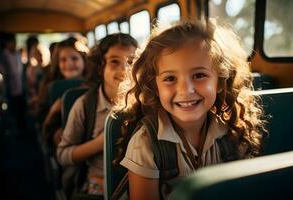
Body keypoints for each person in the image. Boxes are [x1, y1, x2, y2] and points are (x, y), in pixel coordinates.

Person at [113, 20, 266, 199]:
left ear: (220, 82)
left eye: (199, 75)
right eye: (170, 78)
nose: (186, 90)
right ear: (155, 87)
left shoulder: (233, 133)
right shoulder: (145, 143)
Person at [57, 33, 137, 199]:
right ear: (101, 67)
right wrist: (100, 143)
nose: (124, 69)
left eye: (131, 61)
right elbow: (63, 155)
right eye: (114, 61)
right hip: (97, 190)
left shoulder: (145, 104)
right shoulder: (85, 105)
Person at [37, 38, 88, 146]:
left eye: (74, 58)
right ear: (57, 63)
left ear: (84, 60)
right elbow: (43, 127)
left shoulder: (95, 86)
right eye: (63, 60)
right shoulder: (50, 87)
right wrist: (53, 111)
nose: (69, 63)